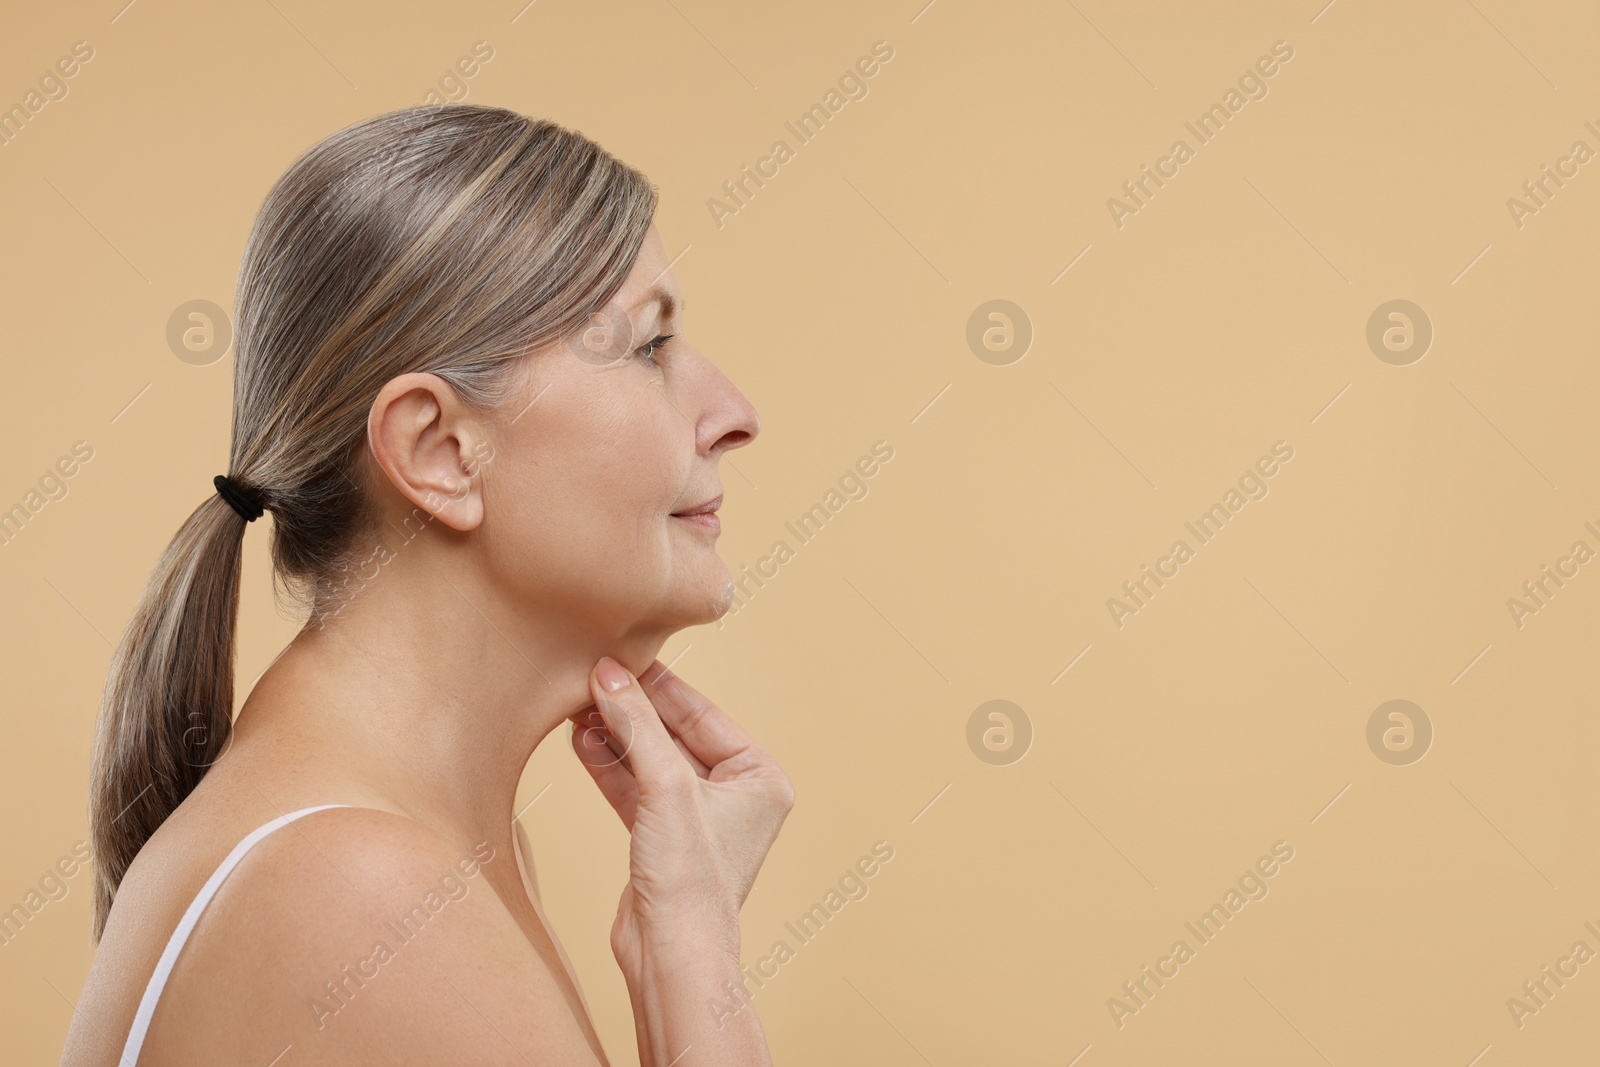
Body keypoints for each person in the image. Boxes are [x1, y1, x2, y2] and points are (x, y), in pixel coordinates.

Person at [61, 103, 793, 1066]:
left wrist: (688, 934)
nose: (734, 416)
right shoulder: (363, 888)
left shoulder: (398, 848)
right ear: (440, 450)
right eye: (648, 350)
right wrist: (697, 963)